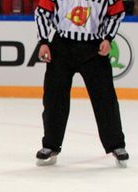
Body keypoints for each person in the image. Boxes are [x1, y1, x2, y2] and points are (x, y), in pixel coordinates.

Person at [34, 0, 129, 167]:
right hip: (62, 46)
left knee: (105, 98)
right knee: (54, 98)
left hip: (94, 48)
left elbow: (116, 13)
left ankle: (116, 145)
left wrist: (108, 38)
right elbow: (42, 12)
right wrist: (43, 41)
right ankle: (50, 145)